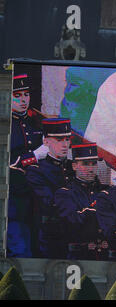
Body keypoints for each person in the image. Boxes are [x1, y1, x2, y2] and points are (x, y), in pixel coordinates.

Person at [7, 74, 48, 257]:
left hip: (36, 197)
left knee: (40, 247)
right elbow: (10, 164)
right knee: (21, 250)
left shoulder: (34, 122)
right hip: (14, 197)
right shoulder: (7, 125)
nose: (23, 100)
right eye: (17, 95)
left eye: (26, 94)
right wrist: (34, 156)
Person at [25, 118, 74, 258]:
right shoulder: (36, 170)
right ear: (46, 142)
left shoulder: (73, 167)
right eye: (59, 140)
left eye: (67, 139)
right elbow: (49, 202)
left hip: (75, 234)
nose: (65, 145)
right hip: (50, 235)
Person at [54, 143, 108, 260]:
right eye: (85, 164)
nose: (90, 168)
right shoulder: (65, 193)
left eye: (93, 164)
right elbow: (72, 222)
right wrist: (95, 213)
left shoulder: (106, 192)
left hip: (105, 255)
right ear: (74, 166)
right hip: (78, 256)